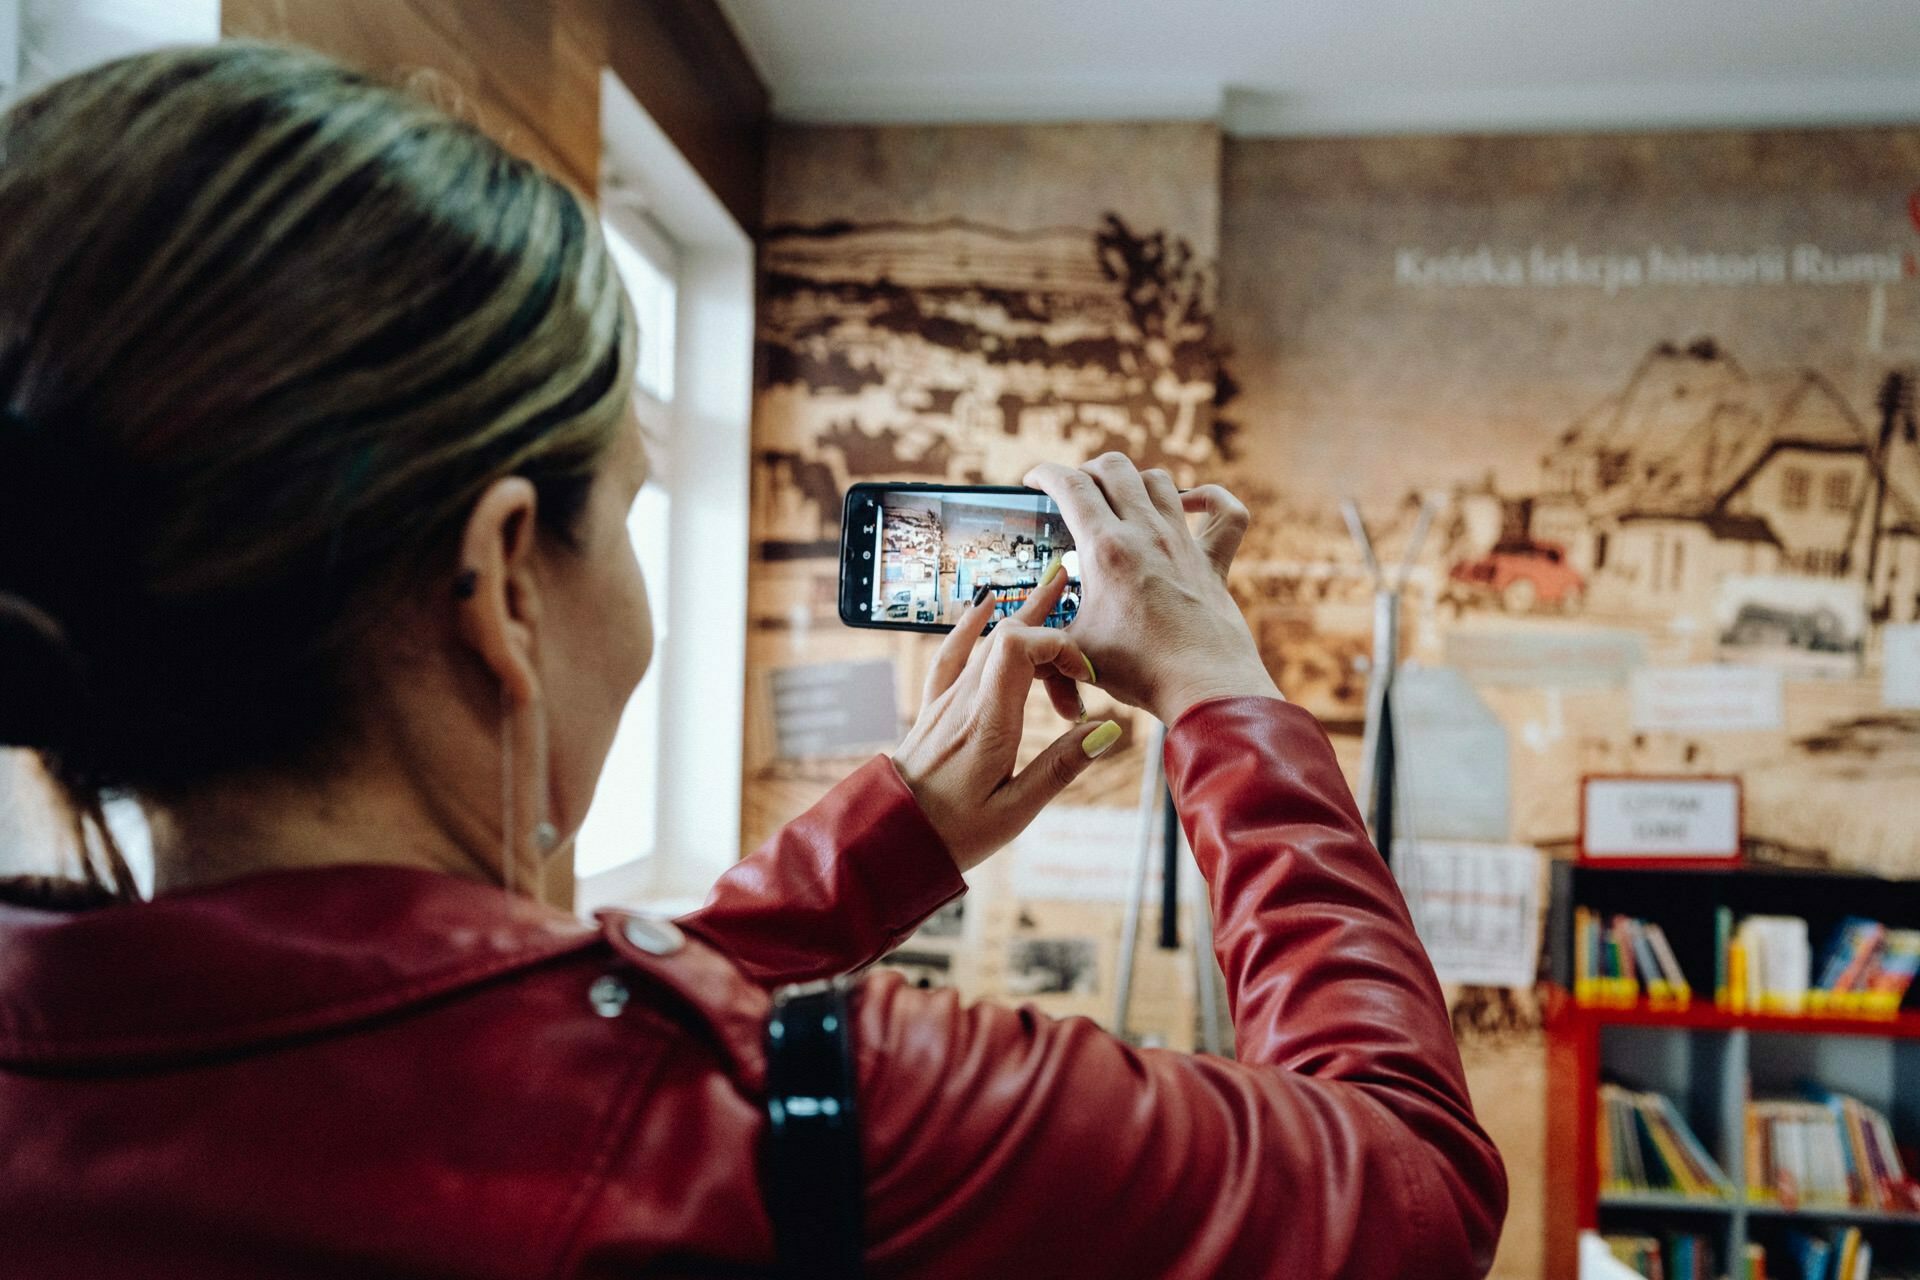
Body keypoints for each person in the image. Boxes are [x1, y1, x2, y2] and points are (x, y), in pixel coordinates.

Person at [0, 44, 1506, 1279]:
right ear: (504, 581)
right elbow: (1415, 1187)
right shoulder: (864, 1110)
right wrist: (1220, 695)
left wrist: (890, 835)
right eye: (634, 513)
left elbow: (519, 1031)